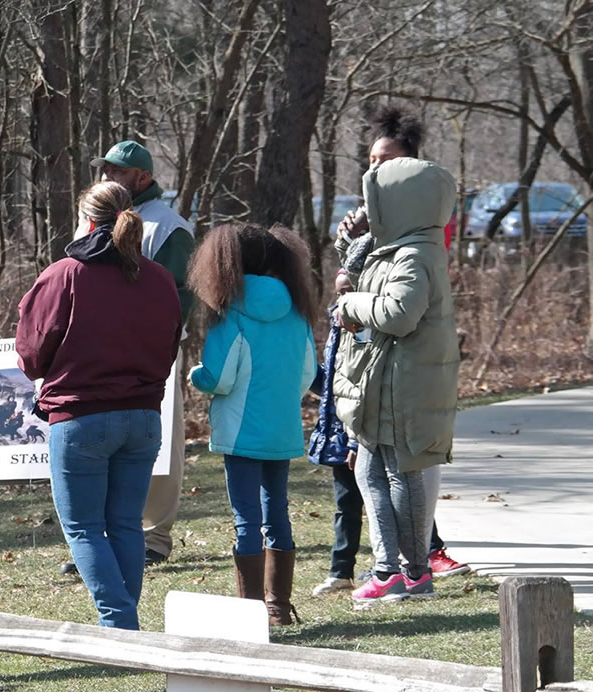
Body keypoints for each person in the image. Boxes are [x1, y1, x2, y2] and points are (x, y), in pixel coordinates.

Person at [313, 107, 469, 596]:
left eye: (385, 166)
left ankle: (411, 570)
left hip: (404, 381)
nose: (374, 175)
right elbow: (361, 286)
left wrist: (350, 303)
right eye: (371, 163)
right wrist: (353, 254)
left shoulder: (418, 250)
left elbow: (399, 313)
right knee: (367, 468)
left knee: (400, 474)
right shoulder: (391, 244)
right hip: (380, 379)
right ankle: (391, 569)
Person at [15, 181, 181, 630]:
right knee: (126, 524)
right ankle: (125, 625)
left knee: (85, 527)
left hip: (82, 417)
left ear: (87, 220)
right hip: (144, 416)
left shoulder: (65, 274)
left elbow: (31, 357)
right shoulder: (159, 278)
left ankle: (119, 625)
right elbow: (169, 350)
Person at [186, 225, 318, 625]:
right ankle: (279, 607)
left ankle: (251, 612)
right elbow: (307, 373)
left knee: (247, 520)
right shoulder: (297, 313)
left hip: (241, 433)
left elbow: (220, 377)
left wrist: (197, 377)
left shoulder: (232, 315)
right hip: (282, 429)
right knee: (277, 511)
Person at [89, 140, 196, 568]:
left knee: (161, 449)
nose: (106, 178)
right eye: (104, 171)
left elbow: (179, 297)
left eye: (116, 172)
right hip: (100, 354)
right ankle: (103, 537)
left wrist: (157, 349)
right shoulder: (96, 219)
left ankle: (153, 538)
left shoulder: (168, 227)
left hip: (154, 354)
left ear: (143, 178)